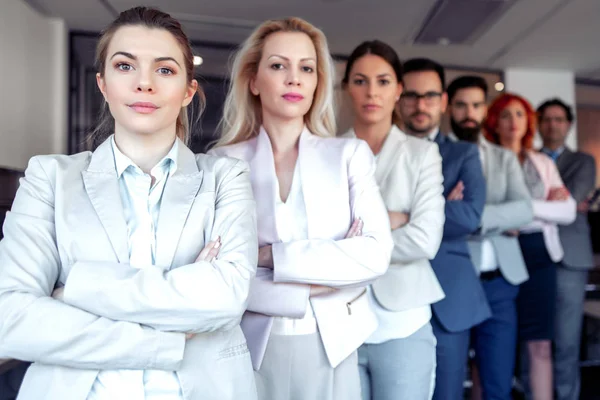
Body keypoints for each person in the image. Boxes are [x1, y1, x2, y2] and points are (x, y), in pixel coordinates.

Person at [0, 7, 258, 400]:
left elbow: (225, 298)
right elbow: (11, 319)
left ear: (188, 90)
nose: (144, 83)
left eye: (165, 70)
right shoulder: (49, 179)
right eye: (125, 66)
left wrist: (75, 291)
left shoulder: (226, 178)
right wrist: (165, 339)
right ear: (103, 84)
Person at [209, 17, 393, 400]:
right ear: (254, 81)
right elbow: (216, 274)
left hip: (333, 345)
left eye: (306, 68)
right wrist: (329, 276)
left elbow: (375, 255)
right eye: (278, 65)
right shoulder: (220, 163)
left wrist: (267, 256)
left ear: (316, 83)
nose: (294, 78)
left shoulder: (349, 155)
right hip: (246, 345)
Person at [342, 40, 445, 400]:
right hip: (338, 320)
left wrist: (348, 241)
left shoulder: (423, 154)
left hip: (404, 319)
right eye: (360, 80)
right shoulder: (323, 151)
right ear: (345, 88)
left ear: (399, 89)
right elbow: (311, 236)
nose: (372, 92)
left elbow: (425, 240)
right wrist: (391, 220)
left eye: (383, 81)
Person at [397, 58, 489, 400]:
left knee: (448, 393)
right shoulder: (374, 151)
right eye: (411, 95)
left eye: (431, 96)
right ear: (397, 97)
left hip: (449, 293)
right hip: (391, 290)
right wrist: (438, 204)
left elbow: (469, 216)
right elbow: (362, 220)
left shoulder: (464, 153)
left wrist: (403, 214)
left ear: (444, 102)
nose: (421, 105)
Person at [483, 93, 576, 400]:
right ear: (494, 121)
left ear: (528, 122)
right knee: (491, 345)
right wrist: (540, 206)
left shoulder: (541, 162)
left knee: (539, 344)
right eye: (506, 115)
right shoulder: (484, 158)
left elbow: (568, 211)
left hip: (539, 256)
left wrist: (519, 210)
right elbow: (482, 213)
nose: (513, 122)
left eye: (520, 115)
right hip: (498, 253)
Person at [447, 76, 533, 400]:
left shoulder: (504, 157)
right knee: (449, 381)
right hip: (454, 280)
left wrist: (468, 216)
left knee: (498, 382)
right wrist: (501, 218)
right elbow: (432, 218)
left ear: (485, 110)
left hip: (501, 282)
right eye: (461, 105)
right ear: (448, 107)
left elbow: (524, 210)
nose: (469, 112)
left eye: (475, 105)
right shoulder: (433, 153)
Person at [538, 98, 597, 400]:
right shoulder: (526, 159)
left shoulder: (584, 161)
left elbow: (571, 202)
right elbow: (520, 204)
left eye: (559, 119)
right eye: (547, 119)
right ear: (538, 124)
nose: (552, 125)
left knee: (566, 339)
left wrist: (537, 205)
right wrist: (555, 203)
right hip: (533, 256)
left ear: (569, 124)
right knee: (535, 338)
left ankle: (567, 396)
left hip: (570, 261)